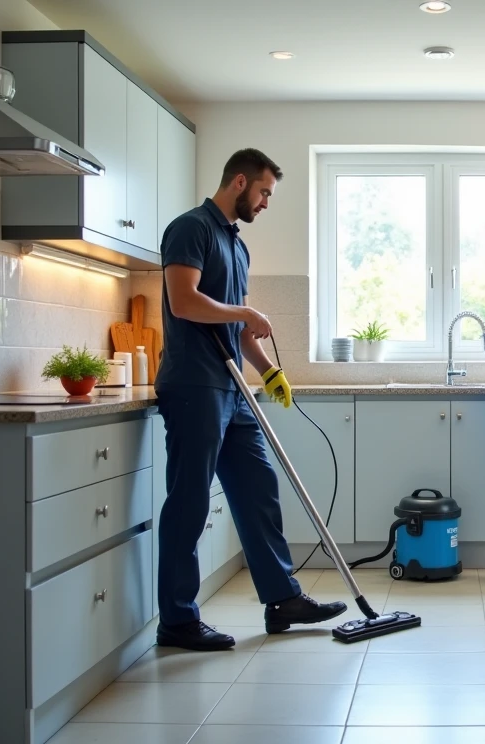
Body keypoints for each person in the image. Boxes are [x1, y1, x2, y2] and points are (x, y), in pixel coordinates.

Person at [154, 148, 346, 651]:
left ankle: (282, 599)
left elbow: (235, 326)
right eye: (263, 192)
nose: (264, 203)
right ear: (239, 182)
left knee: (259, 486)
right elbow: (185, 301)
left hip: (233, 387)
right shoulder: (190, 228)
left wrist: (269, 371)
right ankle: (176, 619)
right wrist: (243, 309)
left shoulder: (236, 247)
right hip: (195, 385)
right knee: (190, 503)